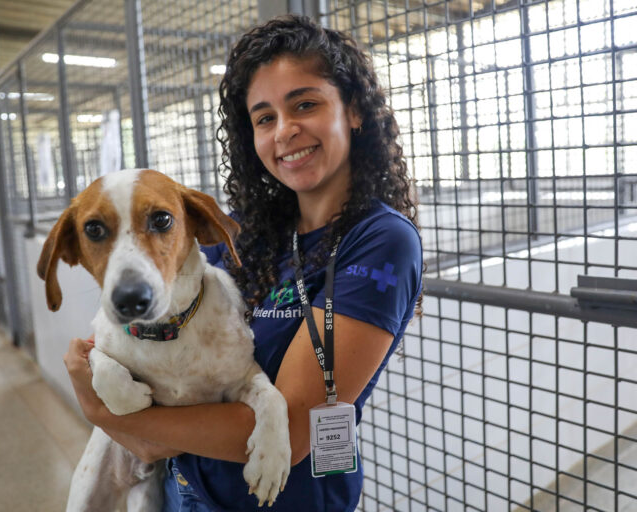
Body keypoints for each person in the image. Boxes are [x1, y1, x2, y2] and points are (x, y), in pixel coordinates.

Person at [63, 15, 423, 512]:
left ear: (354, 110)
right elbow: (147, 323)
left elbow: (295, 430)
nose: (286, 131)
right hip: (183, 492)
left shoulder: (380, 241)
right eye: (265, 117)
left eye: (305, 104)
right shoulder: (244, 233)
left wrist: (110, 416)